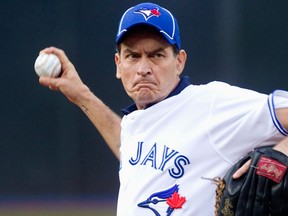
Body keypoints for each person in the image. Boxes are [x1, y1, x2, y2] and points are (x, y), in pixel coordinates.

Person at [38, 2, 288, 215]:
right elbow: (134, 153)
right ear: (118, 64)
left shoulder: (211, 104)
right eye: (132, 56)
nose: (143, 68)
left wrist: (280, 155)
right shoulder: (140, 119)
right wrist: (82, 95)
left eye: (156, 55)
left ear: (179, 62)